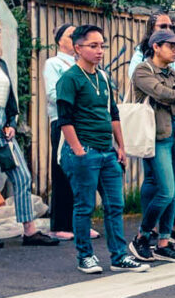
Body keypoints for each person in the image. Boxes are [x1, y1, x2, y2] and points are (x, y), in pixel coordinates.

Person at [57, 24, 148, 274]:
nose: (100, 51)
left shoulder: (104, 77)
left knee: (115, 205)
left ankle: (119, 256)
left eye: (102, 46)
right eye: (93, 46)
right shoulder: (69, 78)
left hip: (107, 151)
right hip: (84, 151)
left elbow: (113, 113)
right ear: (78, 48)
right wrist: (78, 151)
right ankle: (85, 256)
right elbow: (64, 119)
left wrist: (121, 146)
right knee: (85, 206)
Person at [0, 14, 58, 248]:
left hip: (2, 124)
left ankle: (29, 230)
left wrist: (11, 122)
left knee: (22, 175)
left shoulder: (1, 63)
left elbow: (10, 97)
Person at [128, 12, 175, 247]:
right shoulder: (142, 69)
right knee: (166, 191)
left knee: (173, 190)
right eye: (170, 46)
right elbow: (160, 93)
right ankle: (143, 235)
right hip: (158, 135)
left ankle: (163, 242)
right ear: (156, 46)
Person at [44, 23, 97, 241]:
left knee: (84, 171)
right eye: (70, 35)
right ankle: (59, 224)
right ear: (59, 41)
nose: (74, 38)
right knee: (63, 171)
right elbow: (52, 93)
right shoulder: (54, 63)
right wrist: (80, 100)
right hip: (63, 120)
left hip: (84, 123)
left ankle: (81, 223)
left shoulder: (84, 64)